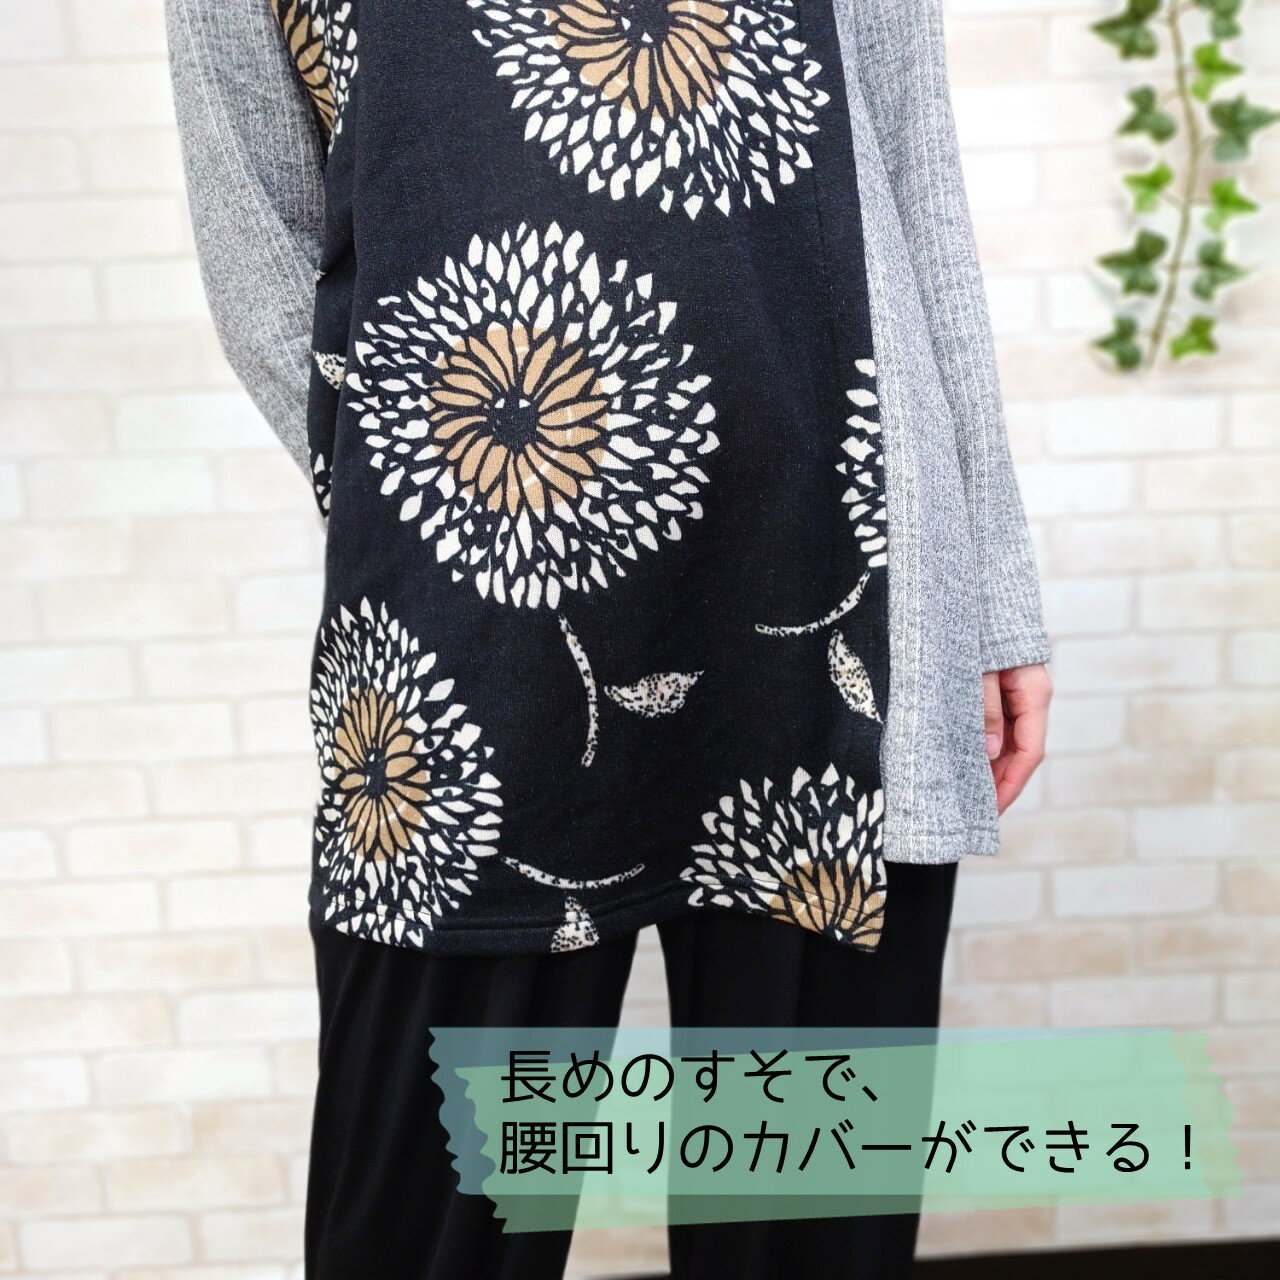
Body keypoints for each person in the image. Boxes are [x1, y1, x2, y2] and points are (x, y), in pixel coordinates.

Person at [165, 1, 1052, 1276]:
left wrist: (991, 582)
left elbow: (911, 162)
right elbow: (257, 226)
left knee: (803, 1223)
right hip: (469, 607)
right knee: (421, 1219)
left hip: (847, 558)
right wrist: (431, 490)